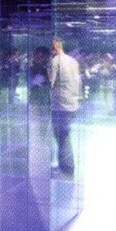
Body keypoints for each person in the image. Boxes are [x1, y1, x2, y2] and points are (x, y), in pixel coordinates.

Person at [47, 38, 83, 176]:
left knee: (62, 136)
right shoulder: (73, 61)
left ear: (55, 47)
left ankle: (67, 166)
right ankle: (65, 165)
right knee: (64, 135)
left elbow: (51, 82)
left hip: (60, 105)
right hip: (72, 104)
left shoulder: (56, 61)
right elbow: (78, 81)